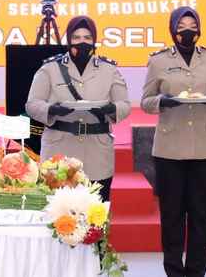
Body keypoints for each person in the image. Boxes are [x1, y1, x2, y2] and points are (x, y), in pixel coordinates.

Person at [142, 7, 206, 277]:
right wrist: (162, 101)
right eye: (182, 26)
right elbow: (145, 101)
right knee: (172, 217)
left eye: (193, 25)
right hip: (169, 150)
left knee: (200, 217)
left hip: (203, 148)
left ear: (199, 28)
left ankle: (196, 272)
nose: (188, 30)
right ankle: (174, 271)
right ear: (172, 29)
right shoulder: (158, 61)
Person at [26, 16, 130, 203]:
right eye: (76, 37)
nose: (82, 42)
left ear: (94, 40)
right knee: (57, 211)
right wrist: (52, 110)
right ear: (68, 40)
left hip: (97, 153)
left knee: (95, 212)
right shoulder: (50, 68)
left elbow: (125, 105)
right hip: (59, 153)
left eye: (87, 37)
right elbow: (32, 105)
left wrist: (110, 108)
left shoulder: (109, 69)